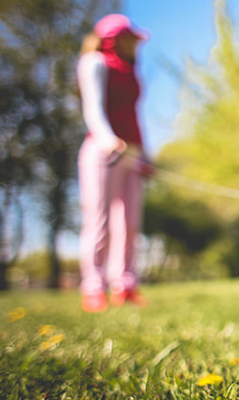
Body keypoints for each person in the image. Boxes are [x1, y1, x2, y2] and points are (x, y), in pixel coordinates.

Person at [77, 14, 151, 312]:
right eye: (132, 38)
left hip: (131, 152)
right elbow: (92, 106)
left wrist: (145, 153)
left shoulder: (131, 70)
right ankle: (93, 287)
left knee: (129, 223)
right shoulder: (94, 62)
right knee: (99, 221)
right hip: (103, 149)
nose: (136, 44)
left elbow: (135, 115)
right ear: (116, 38)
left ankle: (125, 284)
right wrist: (107, 138)